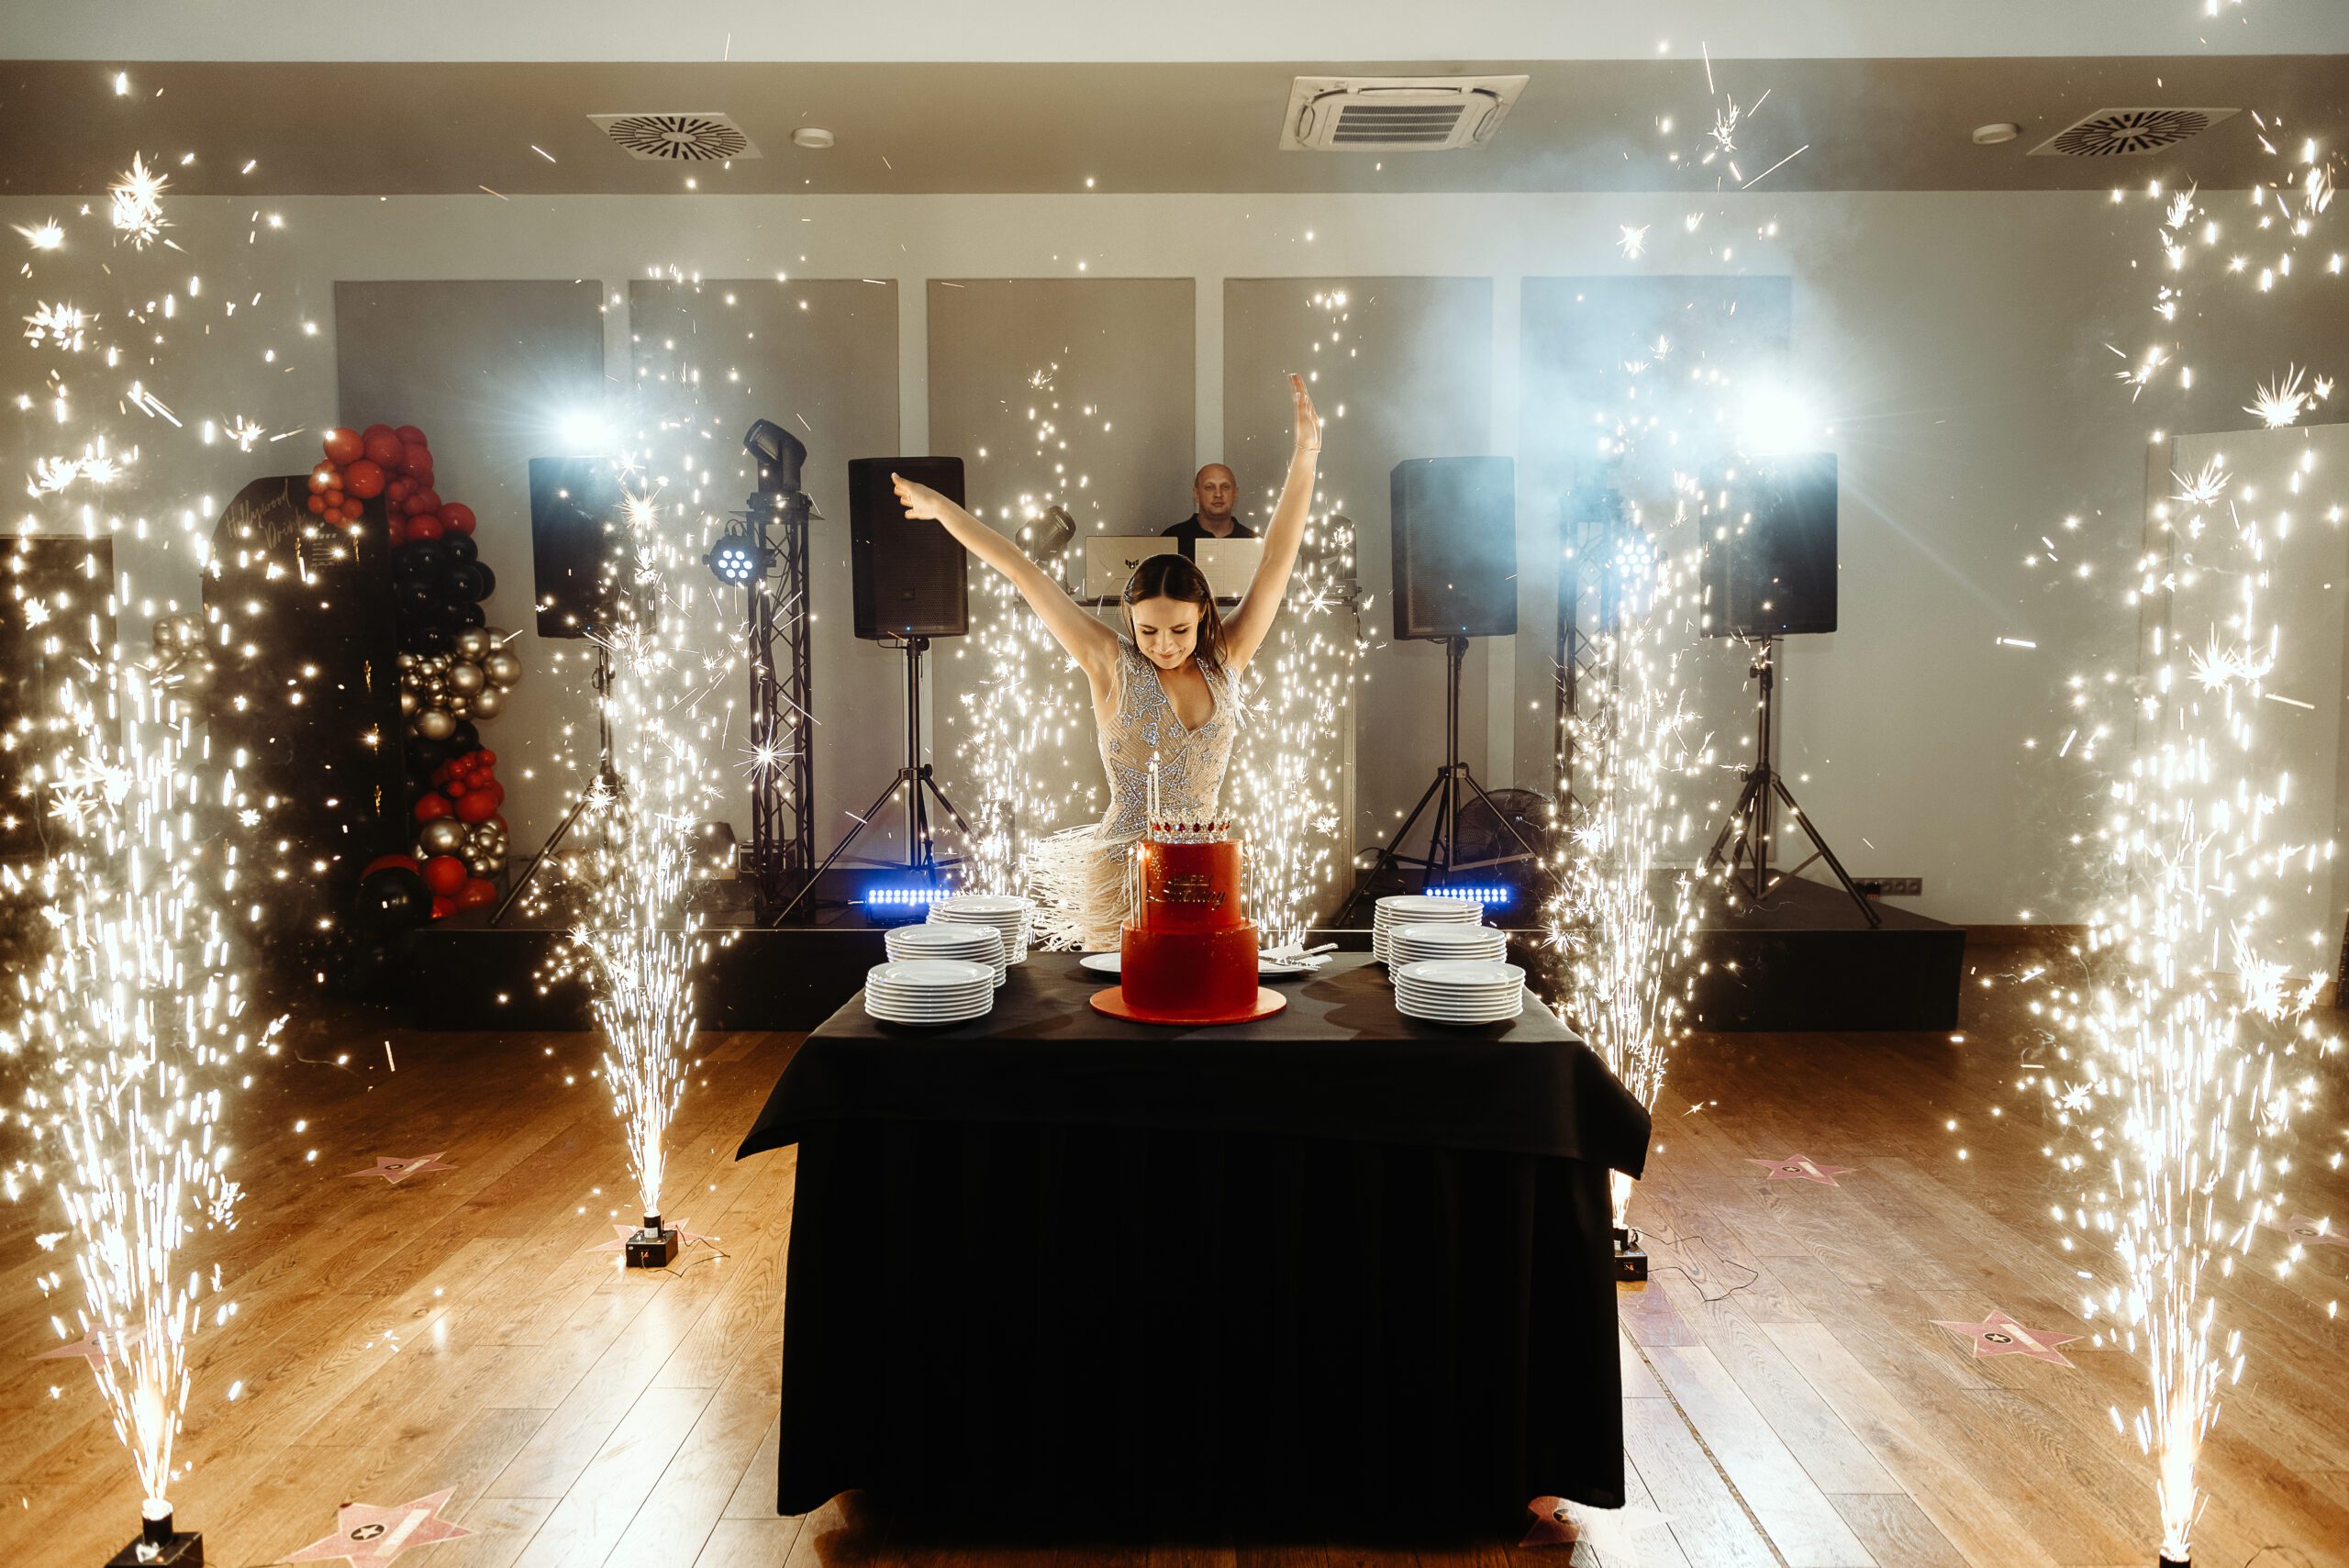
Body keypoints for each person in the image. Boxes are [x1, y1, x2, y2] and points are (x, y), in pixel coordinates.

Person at [891, 373, 1321, 949]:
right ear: (1129, 621)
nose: (1163, 644)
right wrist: (941, 508)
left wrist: (1306, 453)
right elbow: (1023, 569)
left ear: (1203, 616)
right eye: (1148, 630)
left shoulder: (1227, 660)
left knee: (1204, 994)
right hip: (1123, 874)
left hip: (1206, 872)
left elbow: (1276, 559)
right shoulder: (1110, 661)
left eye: (1179, 630)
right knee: (1119, 1001)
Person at [1161, 463, 1252, 556]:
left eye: (1225, 487)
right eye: (1210, 487)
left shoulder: (1252, 542)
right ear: (1196, 494)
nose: (1218, 494)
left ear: (1235, 494)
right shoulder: (1173, 539)